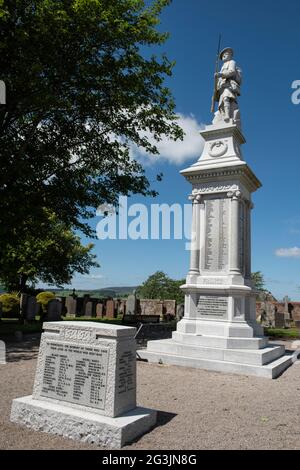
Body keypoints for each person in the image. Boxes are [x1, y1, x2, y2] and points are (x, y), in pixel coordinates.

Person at [213, 47, 242, 126]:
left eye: (226, 54)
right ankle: (223, 115)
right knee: (221, 103)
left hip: (228, 85)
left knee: (226, 98)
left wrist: (221, 74)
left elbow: (232, 72)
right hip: (222, 87)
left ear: (230, 55)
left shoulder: (232, 62)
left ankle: (227, 116)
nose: (224, 56)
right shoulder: (222, 66)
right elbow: (219, 79)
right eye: (223, 55)